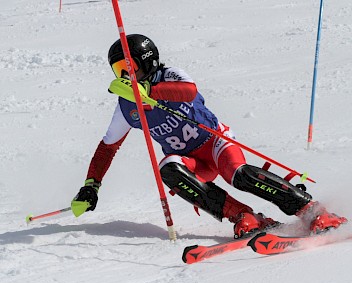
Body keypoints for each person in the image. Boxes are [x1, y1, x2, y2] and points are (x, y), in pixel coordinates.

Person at [71, 34, 347, 238]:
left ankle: (311, 210)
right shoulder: (127, 105)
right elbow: (107, 147)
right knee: (167, 168)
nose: (126, 76)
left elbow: (189, 92)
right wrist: (91, 185)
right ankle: (244, 216)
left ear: (148, 61)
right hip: (191, 160)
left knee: (238, 174)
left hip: (215, 142)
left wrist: (151, 94)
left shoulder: (169, 75)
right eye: (119, 71)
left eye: (129, 68)